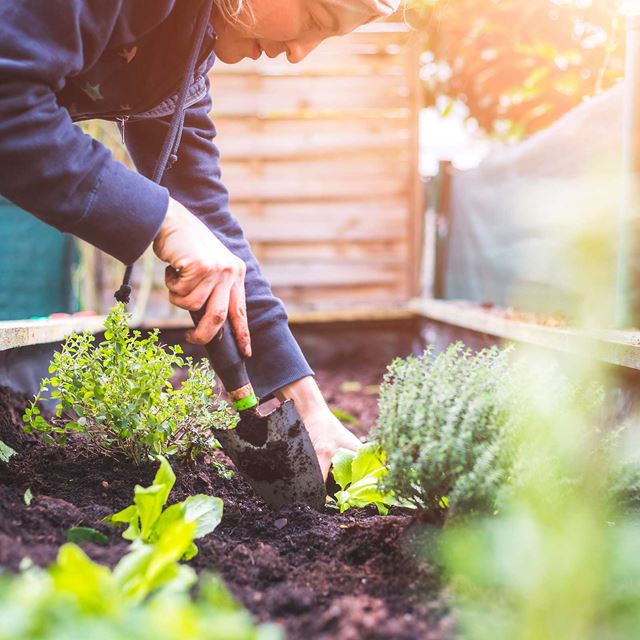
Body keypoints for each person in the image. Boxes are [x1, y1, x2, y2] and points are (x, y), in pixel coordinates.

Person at [0, 0, 399, 479]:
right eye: (314, 20)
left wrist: (307, 404)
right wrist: (163, 218)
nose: (300, 54)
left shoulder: (183, 51)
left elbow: (209, 223)